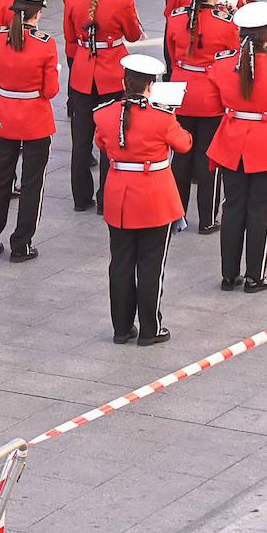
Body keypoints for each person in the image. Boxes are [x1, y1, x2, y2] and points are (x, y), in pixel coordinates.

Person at [96, 54, 192, 345]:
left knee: (121, 263)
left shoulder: (104, 113)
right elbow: (185, 144)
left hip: (119, 196)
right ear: (150, 87)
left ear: (124, 83)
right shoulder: (162, 117)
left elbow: (102, 143)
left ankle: (122, 328)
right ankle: (151, 328)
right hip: (154, 198)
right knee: (151, 265)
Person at [0, 0, 59, 261]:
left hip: (3, 116)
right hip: (35, 118)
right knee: (32, 184)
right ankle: (21, 244)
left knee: (0, 180)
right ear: (38, 13)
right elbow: (50, 90)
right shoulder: (46, 44)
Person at [205, 1, 267, 292]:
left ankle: (228, 274)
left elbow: (215, 107)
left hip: (232, 141)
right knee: (261, 210)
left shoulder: (223, 64)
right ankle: (255, 276)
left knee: (233, 207)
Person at [65, 0, 145, 212]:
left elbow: (69, 38)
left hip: (83, 73)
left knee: (81, 138)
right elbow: (134, 35)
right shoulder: (122, 0)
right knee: (110, 137)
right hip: (113, 73)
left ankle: (80, 197)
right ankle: (105, 199)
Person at [166, 0, 235, 234]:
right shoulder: (226, 24)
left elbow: (172, 55)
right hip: (211, 96)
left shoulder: (176, 17)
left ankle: (176, 216)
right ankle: (207, 218)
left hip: (181, 90)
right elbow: (231, 63)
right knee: (209, 160)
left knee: (180, 158)